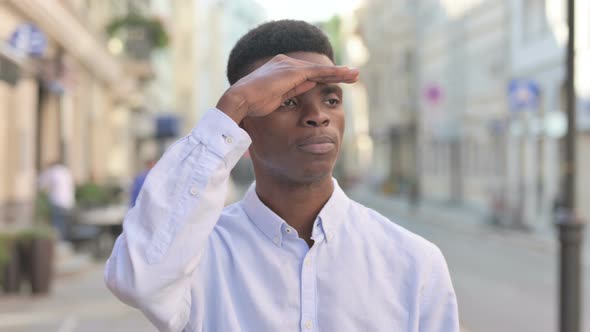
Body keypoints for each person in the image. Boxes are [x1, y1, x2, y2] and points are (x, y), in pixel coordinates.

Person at [105, 20, 459, 331]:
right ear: (243, 124)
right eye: (287, 102)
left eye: (332, 100)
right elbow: (137, 280)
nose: (317, 116)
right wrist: (232, 106)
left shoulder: (414, 261)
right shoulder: (197, 258)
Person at [38, 161, 75, 240]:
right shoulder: (66, 171)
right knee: (65, 224)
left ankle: (59, 242)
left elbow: (41, 184)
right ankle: (65, 241)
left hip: (57, 202)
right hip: (68, 202)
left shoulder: (52, 171)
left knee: (57, 224)